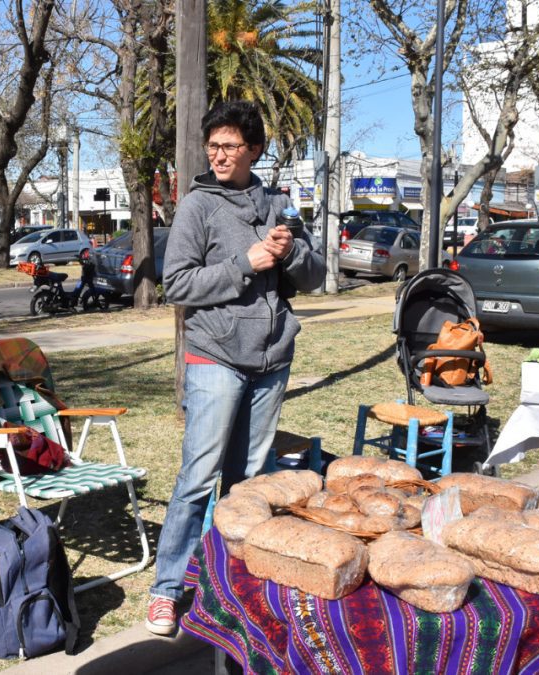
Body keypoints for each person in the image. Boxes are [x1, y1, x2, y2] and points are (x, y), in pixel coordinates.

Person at [146, 101, 325, 636]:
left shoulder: (278, 203)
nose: (219, 154)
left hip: (271, 359)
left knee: (249, 481)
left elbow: (313, 278)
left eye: (230, 146)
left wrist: (289, 253)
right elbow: (174, 284)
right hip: (216, 356)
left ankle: (234, 582)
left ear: (254, 151)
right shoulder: (197, 205)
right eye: (214, 146)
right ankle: (166, 590)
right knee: (198, 478)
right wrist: (244, 263)